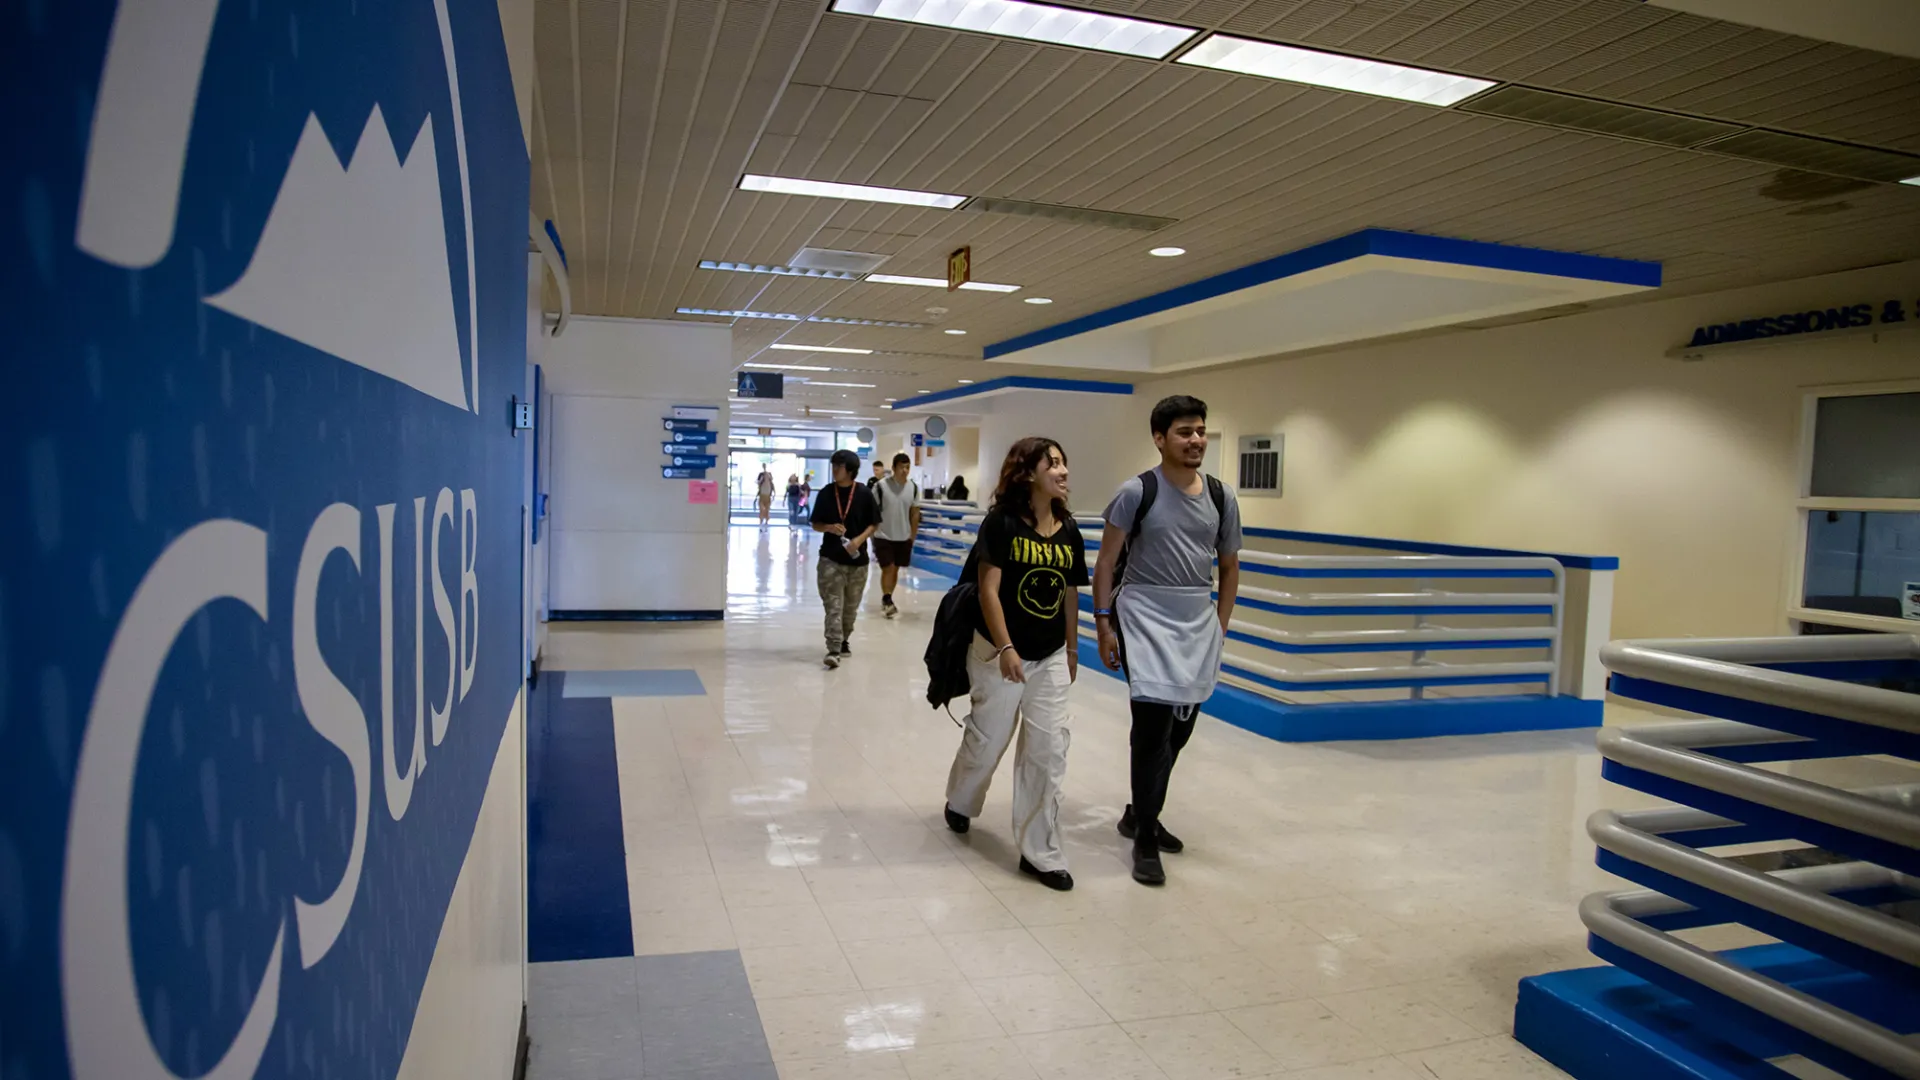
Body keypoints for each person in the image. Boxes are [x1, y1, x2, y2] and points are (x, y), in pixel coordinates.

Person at [1092, 395, 1242, 887]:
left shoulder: (1221, 496)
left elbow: (1228, 566)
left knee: (1180, 730)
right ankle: (1145, 840)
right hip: (1144, 615)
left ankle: (1142, 812)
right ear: (1160, 438)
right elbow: (1107, 562)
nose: (1196, 439)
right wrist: (1104, 623)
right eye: (1184, 431)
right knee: (1152, 727)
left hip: (1196, 619)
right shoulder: (1137, 492)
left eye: (1200, 430)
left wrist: (1219, 626)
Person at [943, 437, 1088, 892]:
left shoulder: (1068, 528)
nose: (1063, 472)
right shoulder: (1002, 523)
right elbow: (988, 590)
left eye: (1064, 463)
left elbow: (1069, 591)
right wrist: (1006, 648)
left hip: (1048, 658)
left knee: (1048, 751)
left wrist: (1072, 648)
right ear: (1027, 473)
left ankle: (1040, 853)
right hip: (997, 651)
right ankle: (961, 800)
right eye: (1053, 464)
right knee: (989, 740)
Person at [810, 449, 879, 669]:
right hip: (831, 559)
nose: (834, 471)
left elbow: (875, 523)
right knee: (833, 605)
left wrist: (858, 540)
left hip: (858, 562)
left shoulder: (864, 494)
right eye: (833, 466)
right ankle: (833, 647)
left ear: (850, 470)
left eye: (838, 467)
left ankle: (844, 638)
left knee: (850, 608)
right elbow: (815, 523)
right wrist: (829, 527)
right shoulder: (826, 493)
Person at [873, 452, 922, 618]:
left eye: (907, 467)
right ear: (893, 468)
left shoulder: (913, 488)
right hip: (882, 535)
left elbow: (915, 513)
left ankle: (888, 597)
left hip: (903, 536)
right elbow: (873, 511)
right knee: (888, 568)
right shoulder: (881, 486)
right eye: (901, 467)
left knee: (895, 570)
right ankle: (887, 599)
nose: (905, 470)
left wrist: (912, 536)